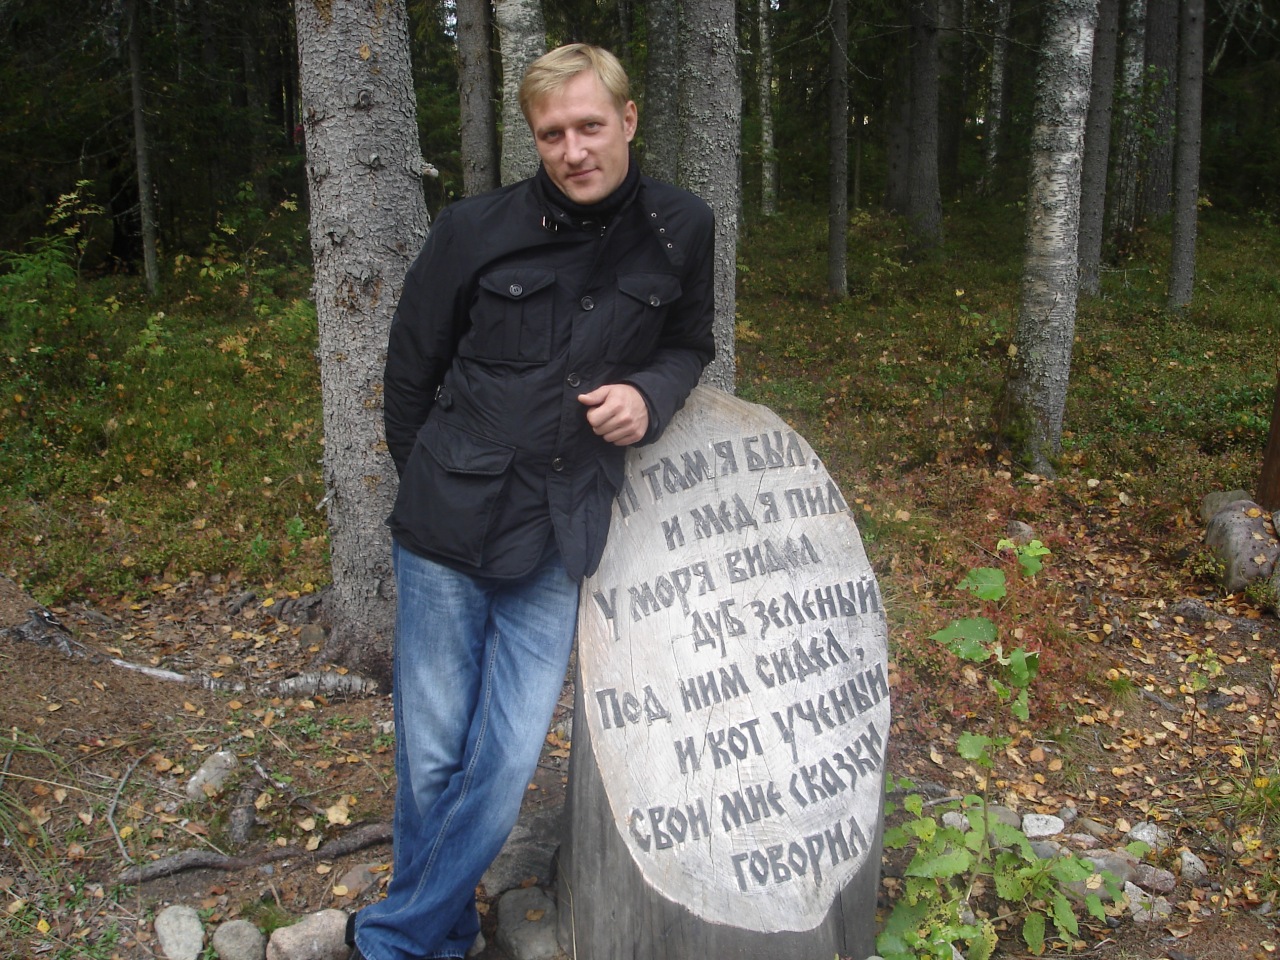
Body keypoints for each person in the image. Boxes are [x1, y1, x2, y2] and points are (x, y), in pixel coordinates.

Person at [347, 43, 716, 960]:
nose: (573, 149)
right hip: (446, 529)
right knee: (433, 756)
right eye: (552, 134)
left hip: (562, 526)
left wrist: (650, 396)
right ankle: (431, 939)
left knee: (507, 761)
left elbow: (689, 343)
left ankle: (394, 933)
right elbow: (411, 371)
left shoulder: (681, 226)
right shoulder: (474, 229)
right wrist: (440, 476)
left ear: (628, 120)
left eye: (590, 126)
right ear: (535, 139)